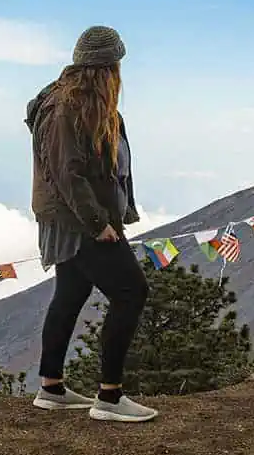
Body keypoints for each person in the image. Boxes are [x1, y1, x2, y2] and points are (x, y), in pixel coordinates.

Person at [23, 25, 156, 423]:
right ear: (105, 68)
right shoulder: (66, 108)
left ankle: (51, 388)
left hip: (76, 219)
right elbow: (69, 174)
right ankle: (110, 398)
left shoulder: (85, 103)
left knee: (69, 294)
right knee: (132, 292)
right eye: (116, 64)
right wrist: (99, 223)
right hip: (79, 222)